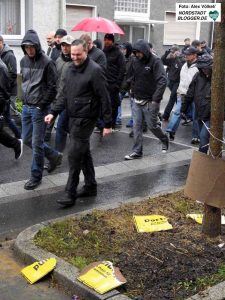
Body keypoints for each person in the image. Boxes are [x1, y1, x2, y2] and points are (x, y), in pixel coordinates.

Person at [45, 39, 112, 207]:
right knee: (83, 153)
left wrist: (108, 123)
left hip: (87, 118)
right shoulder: (69, 70)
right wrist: (53, 112)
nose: (74, 57)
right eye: (72, 54)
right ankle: (90, 186)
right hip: (72, 116)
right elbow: (63, 95)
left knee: (74, 155)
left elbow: (105, 97)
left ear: (86, 52)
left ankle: (70, 193)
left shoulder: (95, 71)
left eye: (78, 54)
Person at [20, 29, 62, 190]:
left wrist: (40, 105)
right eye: (26, 47)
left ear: (36, 46)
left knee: (37, 144)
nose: (29, 50)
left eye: (31, 47)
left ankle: (35, 176)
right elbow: (23, 82)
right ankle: (54, 156)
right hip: (26, 107)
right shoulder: (23, 61)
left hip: (40, 109)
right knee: (27, 139)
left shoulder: (46, 61)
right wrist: (22, 101)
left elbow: (53, 87)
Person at [124, 39, 169, 160]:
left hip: (150, 101)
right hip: (136, 99)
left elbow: (162, 81)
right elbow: (131, 77)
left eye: (138, 52)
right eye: (134, 52)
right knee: (136, 127)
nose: (136, 55)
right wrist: (128, 88)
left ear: (144, 51)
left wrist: (156, 100)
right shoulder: (135, 60)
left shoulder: (155, 61)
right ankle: (137, 151)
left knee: (152, 126)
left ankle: (164, 139)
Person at [166, 46, 199, 141]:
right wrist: (179, 91)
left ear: (194, 55)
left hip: (194, 96)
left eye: (188, 54)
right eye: (186, 54)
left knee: (195, 116)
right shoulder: (184, 65)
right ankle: (170, 132)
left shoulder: (198, 66)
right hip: (183, 94)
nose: (186, 56)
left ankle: (196, 137)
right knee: (177, 112)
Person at [181, 56, 213, 153]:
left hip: (212, 114)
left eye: (206, 68)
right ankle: (206, 158)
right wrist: (184, 108)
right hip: (199, 111)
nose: (204, 70)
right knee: (203, 136)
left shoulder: (218, 78)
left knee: (203, 137)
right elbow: (190, 93)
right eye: (202, 68)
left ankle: (202, 159)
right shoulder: (198, 76)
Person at [0, 57, 23, 160]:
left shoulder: (8, 57)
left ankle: (19, 138)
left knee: (12, 116)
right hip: (8, 95)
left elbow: (13, 75)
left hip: (11, 94)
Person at [103, 33, 126, 129]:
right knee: (104, 104)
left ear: (112, 41)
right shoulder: (102, 52)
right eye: (105, 39)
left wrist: (118, 84)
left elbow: (122, 69)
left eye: (108, 40)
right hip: (104, 83)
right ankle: (104, 124)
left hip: (113, 84)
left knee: (114, 105)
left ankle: (113, 123)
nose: (106, 41)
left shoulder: (118, 53)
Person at [0, 35, 21, 138]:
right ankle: (19, 135)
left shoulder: (9, 55)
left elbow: (12, 74)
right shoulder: (1, 54)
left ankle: (20, 135)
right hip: (3, 91)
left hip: (9, 91)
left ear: (1, 42)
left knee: (12, 114)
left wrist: (6, 90)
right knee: (7, 116)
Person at [161, 45, 185, 121]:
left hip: (177, 83)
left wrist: (177, 57)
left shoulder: (181, 59)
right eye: (171, 52)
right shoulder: (172, 59)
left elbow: (181, 68)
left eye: (173, 52)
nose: (171, 54)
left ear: (178, 52)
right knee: (176, 99)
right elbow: (163, 60)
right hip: (171, 82)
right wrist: (167, 52)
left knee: (172, 97)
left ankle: (165, 115)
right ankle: (184, 114)